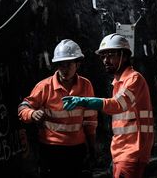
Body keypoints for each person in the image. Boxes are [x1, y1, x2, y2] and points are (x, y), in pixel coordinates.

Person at [62, 33, 154, 178]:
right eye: (103, 56)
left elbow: (117, 104)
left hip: (133, 151)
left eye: (110, 55)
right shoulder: (119, 83)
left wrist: (84, 101)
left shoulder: (134, 79)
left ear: (124, 55)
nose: (106, 60)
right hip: (121, 151)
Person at [18, 39, 98, 178]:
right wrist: (32, 114)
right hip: (51, 150)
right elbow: (23, 107)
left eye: (69, 64)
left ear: (77, 64)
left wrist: (92, 147)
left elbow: (90, 120)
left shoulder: (86, 86)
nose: (64, 69)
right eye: (61, 65)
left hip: (76, 150)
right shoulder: (45, 87)